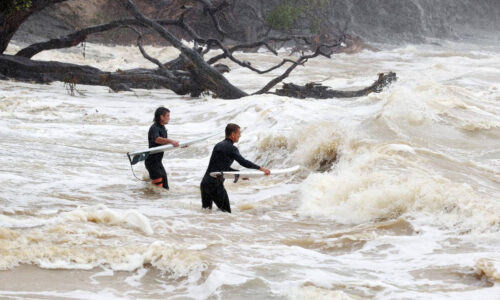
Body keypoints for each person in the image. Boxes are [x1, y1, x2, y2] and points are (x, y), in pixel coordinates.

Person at [200, 123, 270, 213]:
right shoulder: (231, 148)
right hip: (215, 185)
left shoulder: (218, 145)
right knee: (226, 214)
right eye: (238, 133)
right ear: (233, 134)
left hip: (205, 183)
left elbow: (221, 167)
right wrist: (260, 168)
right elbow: (243, 162)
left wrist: (240, 174)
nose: (240, 135)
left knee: (206, 213)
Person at [145, 107, 179, 190]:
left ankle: (160, 202)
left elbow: (165, 143)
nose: (169, 118)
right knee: (157, 190)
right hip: (152, 162)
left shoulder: (163, 128)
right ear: (161, 117)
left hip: (158, 162)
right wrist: (171, 141)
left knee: (165, 188)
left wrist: (180, 145)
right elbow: (157, 139)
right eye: (167, 116)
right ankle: (151, 201)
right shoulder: (154, 128)